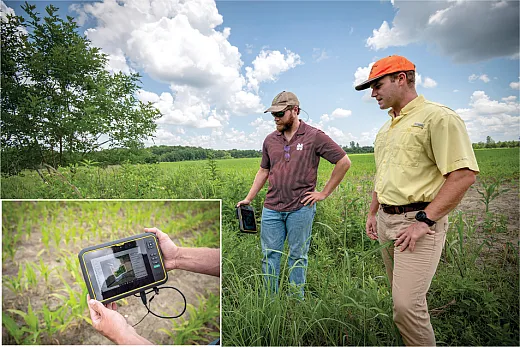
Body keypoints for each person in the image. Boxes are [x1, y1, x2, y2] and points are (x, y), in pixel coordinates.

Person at [355, 55, 479, 346]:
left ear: (401, 78)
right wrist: (373, 213)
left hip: (418, 224)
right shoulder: (386, 130)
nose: (373, 93)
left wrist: (425, 221)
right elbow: (382, 175)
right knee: (404, 302)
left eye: (377, 84)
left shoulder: (439, 118)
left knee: (406, 307)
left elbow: (463, 175)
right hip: (387, 221)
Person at [237, 91, 351, 298]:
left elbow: (343, 162)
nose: (276, 118)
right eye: (273, 115)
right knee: (269, 255)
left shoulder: (314, 136)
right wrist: (249, 198)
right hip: (271, 208)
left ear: (295, 111)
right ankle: (270, 300)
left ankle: (295, 300)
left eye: (280, 114)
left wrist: (323, 193)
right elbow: (264, 170)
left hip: (301, 208)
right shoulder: (270, 140)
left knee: (298, 255)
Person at [87, 227, 220, 345]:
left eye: (124, 259)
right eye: (121, 259)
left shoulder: (122, 273)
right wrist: (176, 256)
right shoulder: (116, 276)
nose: (123, 262)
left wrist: (122, 335)